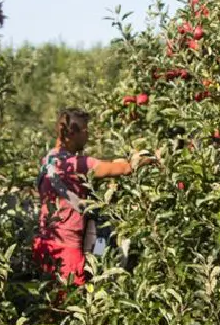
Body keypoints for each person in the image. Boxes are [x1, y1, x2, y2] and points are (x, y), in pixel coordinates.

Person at [32, 108, 150, 285]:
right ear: (73, 133)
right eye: (86, 131)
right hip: (67, 252)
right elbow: (127, 168)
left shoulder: (48, 160)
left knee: (48, 303)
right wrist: (151, 157)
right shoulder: (80, 164)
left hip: (45, 245)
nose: (88, 136)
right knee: (72, 304)